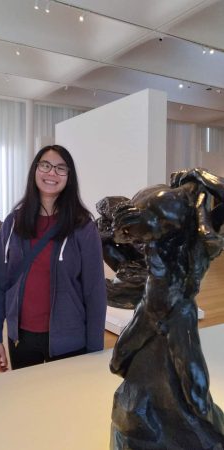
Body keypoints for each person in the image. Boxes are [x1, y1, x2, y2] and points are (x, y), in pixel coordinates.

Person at [109, 168, 224, 448]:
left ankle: (207, 426)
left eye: (142, 241)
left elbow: (209, 242)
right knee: (119, 359)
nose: (144, 249)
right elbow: (125, 237)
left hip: (176, 310)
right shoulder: (157, 207)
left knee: (194, 389)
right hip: (153, 305)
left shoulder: (188, 221)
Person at [0, 145, 107, 371]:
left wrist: (95, 351)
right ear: (35, 170)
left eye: (61, 168)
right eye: (46, 165)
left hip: (69, 341)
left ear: (68, 177)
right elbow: (0, 283)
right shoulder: (13, 224)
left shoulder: (83, 227)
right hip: (21, 339)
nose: (52, 173)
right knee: (27, 402)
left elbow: (95, 294)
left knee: (64, 405)